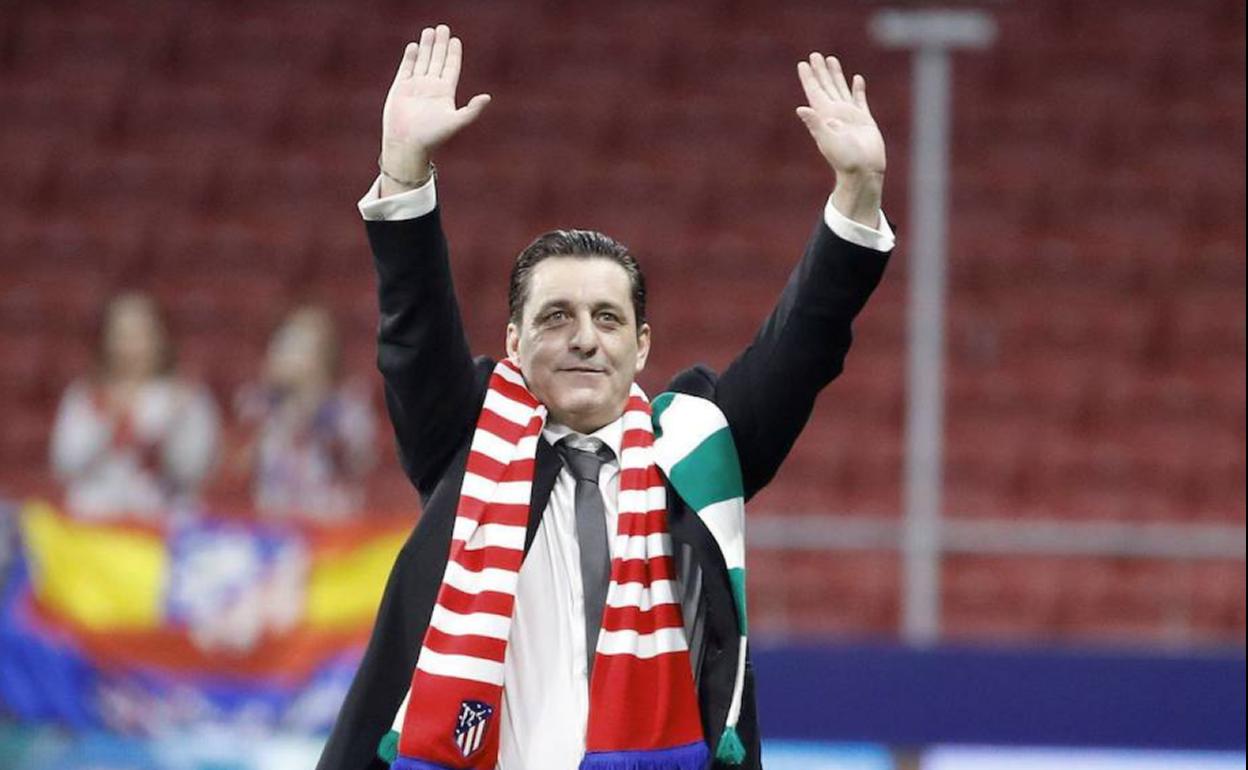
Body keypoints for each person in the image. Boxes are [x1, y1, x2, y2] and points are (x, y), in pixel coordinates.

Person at [319, 25, 895, 770]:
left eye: (608, 318)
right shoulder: (467, 440)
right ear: (514, 342)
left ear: (642, 345)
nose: (585, 339)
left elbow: (803, 345)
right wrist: (403, 173)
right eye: (556, 317)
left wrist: (857, 194)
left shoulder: (695, 454)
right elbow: (413, 325)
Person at [49, 291, 220, 520]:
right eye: (122, 335)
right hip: (95, 519)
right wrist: (109, 421)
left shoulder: (189, 396)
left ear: (161, 338)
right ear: (106, 340)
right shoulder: (84, 395)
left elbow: (193, 472)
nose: (132, 346)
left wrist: (173, 424)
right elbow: (66, 466)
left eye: (141, 334)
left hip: (164, 521)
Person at [233, 305, 377, 521]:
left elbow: (360, 461)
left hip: (331, 524)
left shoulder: (349, 407)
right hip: (274, 522)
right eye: (279, 344)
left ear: (322, 355)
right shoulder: (257, 405)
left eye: (294, 345)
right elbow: (238, 469)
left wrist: (310, 405)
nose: (279, 353)